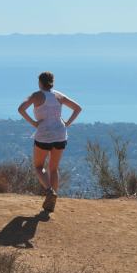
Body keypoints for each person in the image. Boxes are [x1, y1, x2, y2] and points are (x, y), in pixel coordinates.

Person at [17, 71, 82, 212]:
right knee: (53, 169)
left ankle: (49, 191)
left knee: (39, 167)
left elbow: (21, 109)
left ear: (40, 82)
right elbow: (78, 108)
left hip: (44, 135)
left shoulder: (36, 95)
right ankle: (52, 202)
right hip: (60, 134)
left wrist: (34, 123)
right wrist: (67, 123)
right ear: (52, 82)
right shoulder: (58, 95)